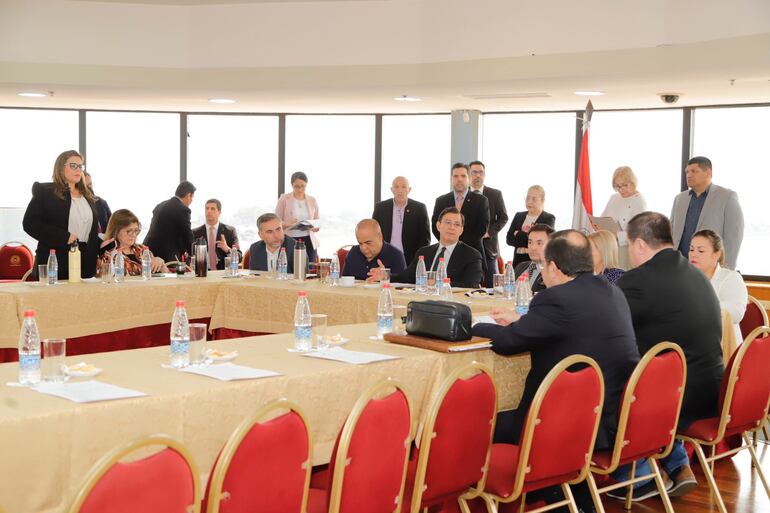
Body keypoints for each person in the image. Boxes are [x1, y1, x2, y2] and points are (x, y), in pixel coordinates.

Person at [473, 230, 640, 512]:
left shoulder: (556, 299)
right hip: (612, 413)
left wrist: (476, 325)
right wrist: (523, 320)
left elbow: (508, 342)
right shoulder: (612, 291)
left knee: (477, 424)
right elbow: (565, 325)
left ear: (553, 267)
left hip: (565, 426)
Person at [615, 211, 723, 500]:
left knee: (606, 382)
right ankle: (677, 465)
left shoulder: (638, 280)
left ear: (639, 244)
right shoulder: (696, 274)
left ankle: (638, 477)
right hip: (712, 388)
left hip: (676, 399)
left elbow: (605, 326)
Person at [22, 150, 101, 280]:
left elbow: (87, 231)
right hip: (55, 261)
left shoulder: (88, 195)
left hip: (85, 263)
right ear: (60, 167)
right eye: (73, 165)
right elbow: (30, 224)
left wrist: (102, 244)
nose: (78, 170)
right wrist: (64, 237)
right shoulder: (45, 191)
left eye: (80, 166)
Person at [376, 207, 482, 288]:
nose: (452, 227)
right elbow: (406, 278)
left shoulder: (472, 255)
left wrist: (439, 283)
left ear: (461, 230)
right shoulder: (424, 252)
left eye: (457, 224)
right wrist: (385, 275)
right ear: (438, 226)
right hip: (422, 301)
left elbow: (471, 284)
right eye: (448, 222)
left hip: (451, 305)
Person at [671, 156, 744, 270]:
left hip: (711, 267)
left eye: (694, 171)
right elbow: (672, 231)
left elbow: (734, 237)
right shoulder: (680, 199)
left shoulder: (727, 197)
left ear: (708, 173)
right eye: (687, 172)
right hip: (680, 266)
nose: (689, 175)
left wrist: (726, 268)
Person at [689, 229, 748, 345]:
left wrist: (695, 307)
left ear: (717, 254)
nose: (693, 254)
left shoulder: (731, 278)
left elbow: (736, 313)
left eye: (701, 251)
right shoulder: (685, 279)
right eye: (691, 249)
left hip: (723, 345)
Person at [431, 163, 490, 274]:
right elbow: (436, 226)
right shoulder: (441, 200)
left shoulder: (481, 200)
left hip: (472, 254)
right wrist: (449, 243)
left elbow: (482, 228)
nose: (459, 179)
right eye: (456, 176)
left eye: (463, 176)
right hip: (445, 254)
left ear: (469, 178)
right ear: (451, 179)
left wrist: (457, 245)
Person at [371, 176, 430, 265]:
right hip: (384, 257)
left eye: (403, 187)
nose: (400, 190)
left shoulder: (419, 208)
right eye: (396, 187)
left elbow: (425, 239)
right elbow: (374, 233)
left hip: (411, 259)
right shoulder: (381, 207)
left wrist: (419, 260)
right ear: (392, 189)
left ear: (409, 189)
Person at [469, 161, 509, 287]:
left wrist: (489, 232)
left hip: (489, 248)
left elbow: (503, 217)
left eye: (480, 172)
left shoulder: (495, 194)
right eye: (474, 172)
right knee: (469, 284)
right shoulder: (462, 195)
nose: (477, 175)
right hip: (467, 246)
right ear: (469, 175)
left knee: (492, 285)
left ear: (484, 175)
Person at [600, 166, 647, 269]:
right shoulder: (614, 198)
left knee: (622, 278)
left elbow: (640, 232)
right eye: (617, 186)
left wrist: (619, 235)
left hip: (627, 249)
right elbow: (603, 218)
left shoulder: (639, 201)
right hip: (610, 246)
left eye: (624, 185)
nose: (621, 189)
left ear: (633, 182)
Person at [97, 209, 167, 276]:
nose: (133, 235)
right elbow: (103, 278)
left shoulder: (142, 249)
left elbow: (166, 276)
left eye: (136, 231)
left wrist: (161, 264)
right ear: (116, 231)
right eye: (129, 231)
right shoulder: (108, 253)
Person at [143, 181, 196, 264]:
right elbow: (187, 235)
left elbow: (170, 231)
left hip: (150, 253)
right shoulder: (183, 209)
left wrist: (183, 250)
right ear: (189, 195)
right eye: (192, 197)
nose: (191, 201)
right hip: (168, 257)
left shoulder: (160, 205)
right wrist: (194, 254)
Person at [506, 185, 556, 267]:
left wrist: (518, 234)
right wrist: (527, 240)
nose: (529, 202)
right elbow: (509, 239)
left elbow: (543, 241)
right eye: (528, 198)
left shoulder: (548, 218)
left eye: (534, 199)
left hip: (538, 262)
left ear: (542, 200)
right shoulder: (519, 216)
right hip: (518, 260)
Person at [276, 171, 320, 263]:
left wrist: (313, 226)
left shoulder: (312, 200)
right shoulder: (284, 199)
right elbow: (276, 222)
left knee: (309, 269)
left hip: (309, 240)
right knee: (290, 267)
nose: (300, 189)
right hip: (290, 239)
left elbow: (317, 222)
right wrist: (288, 224)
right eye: (296, 186)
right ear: (292, 185)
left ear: (306, 185)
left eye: (302, 186)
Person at [192, 199, 241, 271]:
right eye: (207, 208)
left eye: (212, 209)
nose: (209, 211)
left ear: (219, 212)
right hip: (201, 272)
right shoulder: (195, 232)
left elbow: (239, 257)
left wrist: (227, 249)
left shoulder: (230, 231)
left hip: (222, 273)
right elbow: (189, 256)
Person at [513, 223, 553, 293]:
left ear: (551, 245)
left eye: (539, 243)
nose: (533, 248)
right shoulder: (520, 266)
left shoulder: (554, 272)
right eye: (530, 242)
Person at [83, 171, 112, 238]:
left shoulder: (101, 202)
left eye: (90, 184)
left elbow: (113, 226)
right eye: (85, 186)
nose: (89, 188)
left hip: (104, 244)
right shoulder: (73, 206)